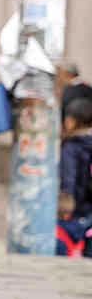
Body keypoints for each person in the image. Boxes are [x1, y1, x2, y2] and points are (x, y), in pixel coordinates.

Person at [56, 98, 92, 257]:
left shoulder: (71, 147)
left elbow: (68, 180)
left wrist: (64, 207)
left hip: (76, 211)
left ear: (70, 121)